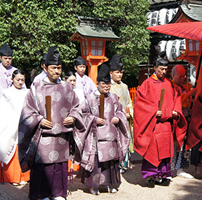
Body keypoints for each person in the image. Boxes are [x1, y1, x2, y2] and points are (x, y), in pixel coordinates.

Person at [18, 46, 86, 200]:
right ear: (45, 67)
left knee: (60, 166)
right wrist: (39, 120)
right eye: (54, 68)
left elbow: (77, 107)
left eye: (59, 68)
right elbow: (27, 112)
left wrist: (74, 117)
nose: (57, 71)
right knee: (43, 166)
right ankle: (41, 195)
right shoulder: (36, 88)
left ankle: (58, 194)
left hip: (62, 136)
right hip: (43, 137)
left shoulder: (67, 87)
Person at [133, 55, 187, 188]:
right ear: (155, 68)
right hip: (154, 124)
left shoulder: (169, 84)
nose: (163, 72)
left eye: (166, 69)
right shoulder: (147, 84)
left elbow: (176, 99)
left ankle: (164, 174)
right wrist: (153, 112)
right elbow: (140, 104)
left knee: (165, 151)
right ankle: (150, 175)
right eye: (161, 69)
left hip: (167, 124)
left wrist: (175, 110)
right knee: (152, 150)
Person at [80, 63, 130, 195]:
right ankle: (94, 186)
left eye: (108, 84)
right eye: (104, 84)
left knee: (110, 162)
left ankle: (108, 184)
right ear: (97, 84)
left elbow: (121, 111)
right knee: (97, 163)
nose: (107, 86)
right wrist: (94, 119)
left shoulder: (113, 98)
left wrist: (118, 118)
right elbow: (83, 115)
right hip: (96, 137)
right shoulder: (89, 99)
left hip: (111, 136)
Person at [0, 69, 30, 185]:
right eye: (18, 80)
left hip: (25, 125)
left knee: (23, 150)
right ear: (12, 79)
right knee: (12, 150)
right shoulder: (6, 93)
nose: (20, 82)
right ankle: (11, 177)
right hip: (10, 126)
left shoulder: (27, 92)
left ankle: (24, 176)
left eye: (22, 80)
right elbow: (3, 111)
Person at [170, 64, 197, 179]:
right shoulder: (170, 87)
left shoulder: (184, 87)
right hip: (175, 119)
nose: (183, 78)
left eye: (184, 76)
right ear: (173, 75)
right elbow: (175, 101)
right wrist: (189, 94)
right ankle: (170, 169)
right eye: (180, 76)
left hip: (186, 118)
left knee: (185, 144)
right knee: (175, 144)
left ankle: (181, 168)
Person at [109, 54, 134, 173]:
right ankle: (115, 164)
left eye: (121, 72)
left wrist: (129, 112)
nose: (119, 74)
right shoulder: (107, 87)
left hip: (125, 118)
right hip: (113, 120)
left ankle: (124, 163)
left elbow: (129, 102)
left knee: (125, 139)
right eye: (117, 72)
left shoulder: (124, 87)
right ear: (111, 73)